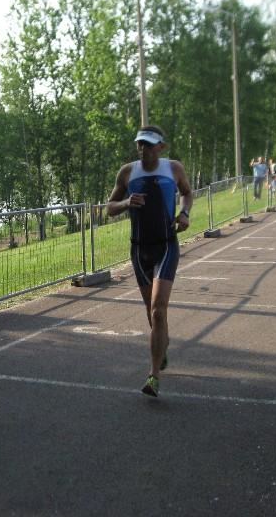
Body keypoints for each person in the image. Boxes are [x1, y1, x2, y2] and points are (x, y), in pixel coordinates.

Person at [106, 125, 193, 397]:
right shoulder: (127, 172)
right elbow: (109, 208)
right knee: (151, 313)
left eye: (149, 144)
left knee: (158, 311)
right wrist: (126, 202)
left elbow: (187, 192)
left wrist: (184, 214)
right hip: (139, 249)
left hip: (166, 245)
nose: (144, 149)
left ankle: (153, 376)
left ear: (160, 147)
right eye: (140, 143)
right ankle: (162, 344)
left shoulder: (173, 168)